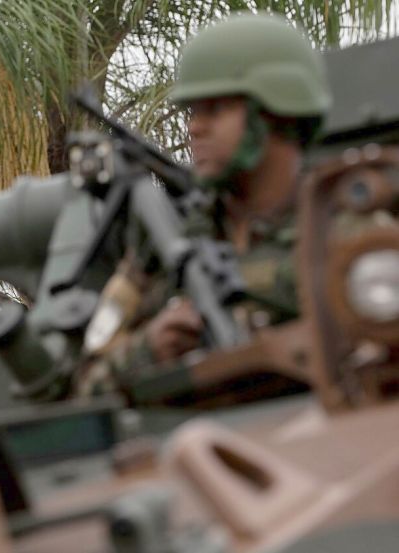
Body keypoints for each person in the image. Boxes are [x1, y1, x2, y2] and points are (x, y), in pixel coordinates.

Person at [76, 13, 331, 398]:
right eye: (193, 112)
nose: (195, 128)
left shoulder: (345, 220)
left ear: (274, 111)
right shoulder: (165, 242)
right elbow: (86, 389)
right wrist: (150, 347)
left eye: (215, 109)